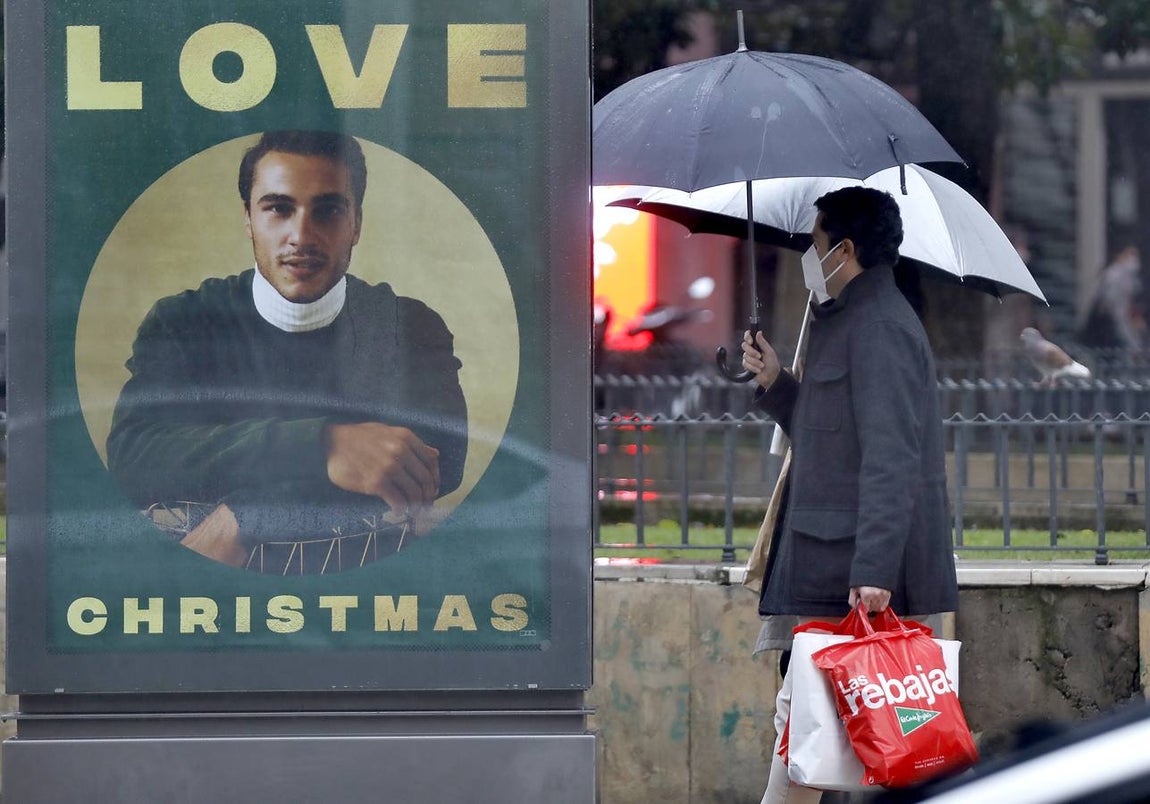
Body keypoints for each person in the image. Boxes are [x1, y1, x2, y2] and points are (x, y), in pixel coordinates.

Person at [107, 130, 468, 572]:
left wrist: (249, 515)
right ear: (248, 219)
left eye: (328, 210)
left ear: (356, 224)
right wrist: (324, 445)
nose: (301, 235)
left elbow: (437, 464)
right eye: (279, 208)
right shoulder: (183, 320)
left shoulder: (407, 325)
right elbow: (134, 459)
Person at [740, 187, 958, 803]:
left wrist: (874, 571)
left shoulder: (880, 327)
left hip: (852, 576)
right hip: (830, 566)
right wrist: (775, 381)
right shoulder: (847, 320)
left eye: (816, 243)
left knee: (813, 738)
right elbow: (827, 434)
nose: (810, 257)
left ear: (846, 249)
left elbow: (892, 457)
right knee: (809, 737)